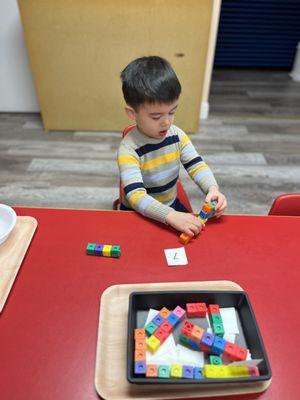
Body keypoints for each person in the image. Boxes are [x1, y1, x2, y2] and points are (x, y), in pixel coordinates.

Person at [117, 56, 227, 237]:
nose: (166, 122)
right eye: (156, 116)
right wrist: (170, 216)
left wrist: (212, 189)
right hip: (138, 213)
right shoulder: (128, 150)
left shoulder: (177, 135)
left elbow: (196, 165)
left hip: (171, 207)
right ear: (132, 113)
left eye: (172, 112)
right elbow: (135, 196)